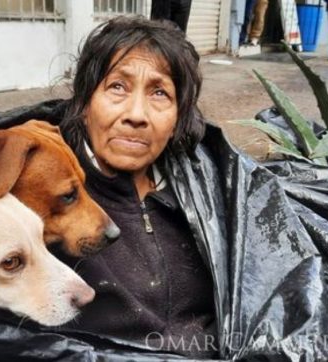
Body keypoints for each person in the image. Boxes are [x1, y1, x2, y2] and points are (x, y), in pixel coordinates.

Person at [58, 17, 218, 359]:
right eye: (117, 86)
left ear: (179, 119)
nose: (136, 114)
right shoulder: (46, 195)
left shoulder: (208, 191)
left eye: (160, 92)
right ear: (85, 104)